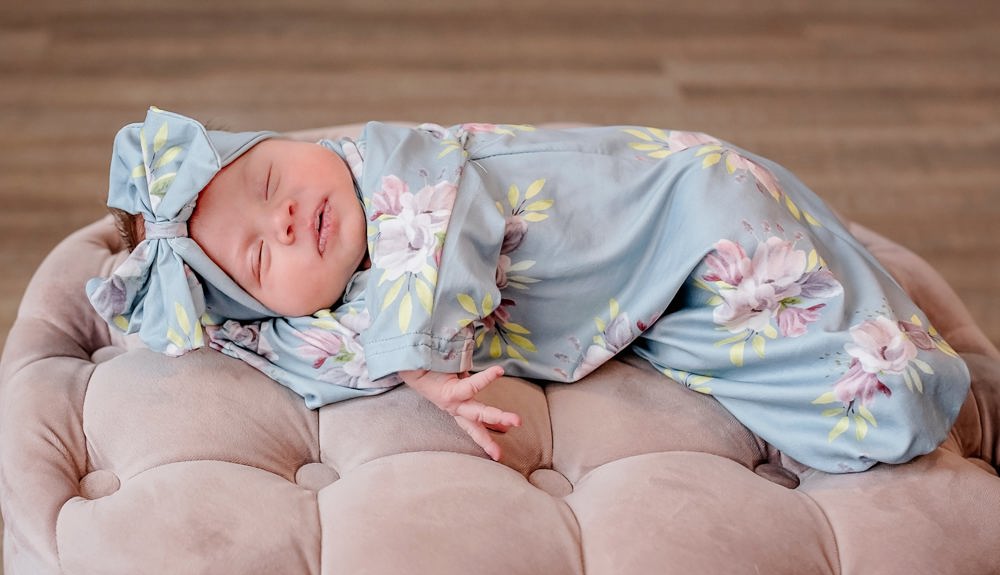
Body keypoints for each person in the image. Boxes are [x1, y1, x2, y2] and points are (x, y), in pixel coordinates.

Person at [89, 107, 971, 472]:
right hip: (650, 300)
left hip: (693, 215)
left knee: (882, 400)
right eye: (255, 258)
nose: (284, 218)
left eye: (272, 177)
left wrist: (423, 370)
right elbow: (327, 357)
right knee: (795, 405)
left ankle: (941, 391)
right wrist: (246, 337)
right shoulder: (318, 308)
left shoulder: (395, 164)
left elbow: (435, 249)